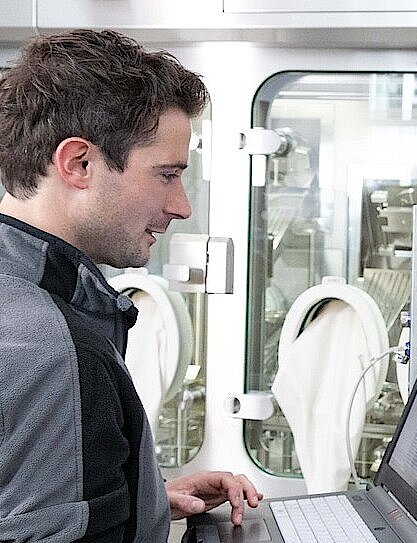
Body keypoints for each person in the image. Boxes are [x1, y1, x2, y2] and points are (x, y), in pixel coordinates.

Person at [0, 30, 262, 541]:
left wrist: (137, 499)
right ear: (79, 163)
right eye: (166, 175)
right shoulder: (55, 349)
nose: (182, 206)